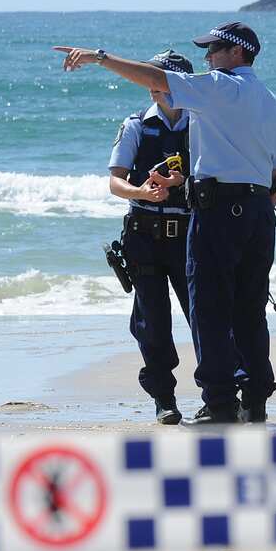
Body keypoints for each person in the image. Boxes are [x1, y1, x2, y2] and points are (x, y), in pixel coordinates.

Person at [56, 22, 276, 424]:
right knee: (249, 309)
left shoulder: (220, 85)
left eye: (213, 49)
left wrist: (100, 57)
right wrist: (255, 210)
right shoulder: (271, 101)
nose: (207, 58)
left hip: (219, 211)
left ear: (236, 54)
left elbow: (156, 78)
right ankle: (254, 399)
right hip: (259, 212)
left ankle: (218, 403)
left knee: (210, 309)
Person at [106, 50, 196, 424]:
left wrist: (184, 183)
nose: (163, 90)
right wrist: (142, 193)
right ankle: (164, 399)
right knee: (152, 323)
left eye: (170, 83)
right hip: (144, 235)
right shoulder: (136, 126)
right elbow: (115, 181)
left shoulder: (205, 125)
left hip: (190, 236)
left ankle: (220, 394)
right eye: (157, 83)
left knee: (205, 316)